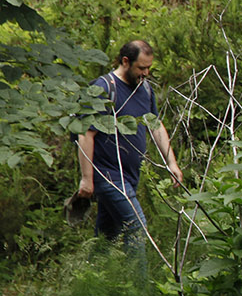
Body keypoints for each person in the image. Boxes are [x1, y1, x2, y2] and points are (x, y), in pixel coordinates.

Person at [75, 39, 182, 250]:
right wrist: (87, 179)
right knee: (136, 228)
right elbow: (85, 133)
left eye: (149, 68)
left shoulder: (145, 90)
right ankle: (140, 283)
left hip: (130, 177)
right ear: (126, 61)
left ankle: (95, 278)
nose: (146, 73)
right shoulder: (103, 88)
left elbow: (156, 126)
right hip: (107, 175)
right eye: (141, 68)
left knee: (107, 238)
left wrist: (172, 162)